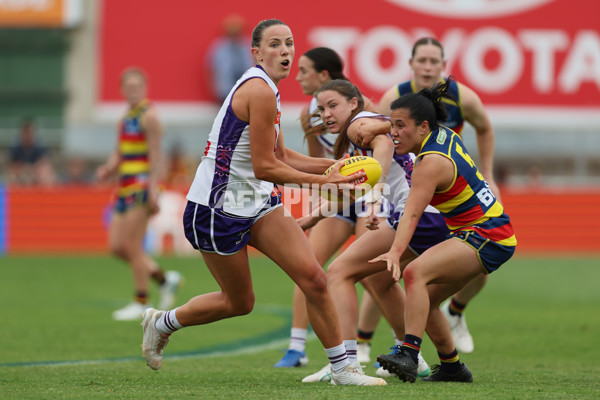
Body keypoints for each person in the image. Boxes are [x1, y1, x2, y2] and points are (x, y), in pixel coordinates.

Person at [140, 19, 385, 386]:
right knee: (238, 303)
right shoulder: (260, 90)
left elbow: (283, 154)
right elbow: (266, 166)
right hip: (216, 209)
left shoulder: (270, 89)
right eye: (275, 44)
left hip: (255, 201)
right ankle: (162, 322)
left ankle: (343, 369)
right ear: (256, 52)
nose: (285, 51)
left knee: (315, 279)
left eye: (289, 44)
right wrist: (324, 179)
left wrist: (336, 166)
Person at [301, 79, 445, 383]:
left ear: (354, 103)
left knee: (339, 273)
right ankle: (412, 356)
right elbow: (353, 189)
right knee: (379, 281)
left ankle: (347, 364)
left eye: (332, 105)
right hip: (427, 215)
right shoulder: (361, 130)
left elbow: (383, 147)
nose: (325, 114)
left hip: (415, 215)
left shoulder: (357, 125)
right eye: (321, 108)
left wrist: (375, 192)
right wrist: (312, 219)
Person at [373, 78, 516, 382]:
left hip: (486, 234)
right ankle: (453, 367)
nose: (393, 133)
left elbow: (411, 214)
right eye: (391, 125)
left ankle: (409, 354)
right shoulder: (443, 134)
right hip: (486, 231)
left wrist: (395, 253)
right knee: (427, 299)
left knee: (415, 274)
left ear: (423, 127)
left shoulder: (430, 162)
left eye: (400, 125)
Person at [365, 37, 500, 354]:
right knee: (381, 275)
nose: (427, 67)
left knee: (412, 273)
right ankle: (369, 344)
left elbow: (485, 128)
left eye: (433, 61)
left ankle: (448, 319)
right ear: (410, 64)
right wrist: (377, 188)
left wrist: (489, 176)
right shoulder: (394, 98)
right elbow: (378, 140)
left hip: (446, 193)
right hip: (411, 193)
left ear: (443, 65)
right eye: (421, 61)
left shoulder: (462, 101)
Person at [274, 47, 379, 368]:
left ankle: (383, 348)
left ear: (323, 75)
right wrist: (319, 201)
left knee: (371, 275)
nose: (297, 75)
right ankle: (296, 349)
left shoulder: (362, 109)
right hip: (337, 197)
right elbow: (314, 165)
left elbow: (383, 153)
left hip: (368, 196)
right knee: (308, 265)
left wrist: (372, 195)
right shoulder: (310, 114)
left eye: (304, 70)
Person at [96, 67, 182, 321]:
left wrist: (154, 190)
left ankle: (141, 300)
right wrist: (108, 168)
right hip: (124, 187)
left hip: (142, 188)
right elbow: (119, 151)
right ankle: (164, 279)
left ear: (144, 89)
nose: (133, 91)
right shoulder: (124, 118)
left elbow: (157, 155)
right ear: (122, 90)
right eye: (128, 87)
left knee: (133, 246)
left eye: (137, 87)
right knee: (116, 247)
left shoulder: (150, 116)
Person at [205, 14, 255, 103]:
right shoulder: (219, 47)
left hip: (246, 90)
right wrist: (215, 88)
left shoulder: (248, 46)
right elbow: (211, 68)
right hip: (225, 91)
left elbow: (253, 65)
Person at [8, 118, 57, 186]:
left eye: (30, 133)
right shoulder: (16, 147)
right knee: (13, 175)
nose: (28, 136)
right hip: (21, 174)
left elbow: (44, 163)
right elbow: (13, 166)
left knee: (47, 173)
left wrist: (32, 170)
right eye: (26, 133)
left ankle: (45, 195)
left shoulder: (40, 146)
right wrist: (24, 170)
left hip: (36, 173)